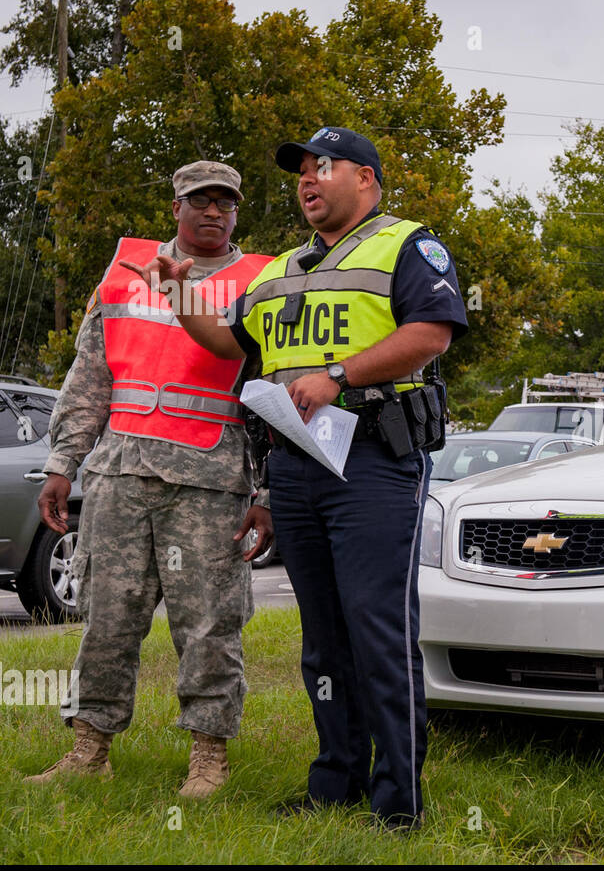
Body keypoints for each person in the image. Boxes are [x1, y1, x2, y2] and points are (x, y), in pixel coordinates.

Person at [126, 128, 468, 829]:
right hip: (297, 469)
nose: (308, 180)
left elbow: (432, 332)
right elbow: (230, 342)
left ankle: (398, 803)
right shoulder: (280, 267)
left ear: (366, 180)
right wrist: (179, 292)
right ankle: (334, 779)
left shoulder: (407, 245)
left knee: (378, 631)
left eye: (325, 167)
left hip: (374, 460)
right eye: (302, 171)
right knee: (323, 640)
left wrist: (337, 376)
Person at [29, 161, 275, 798]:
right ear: (176, 206)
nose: (213, 212)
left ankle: (208, 759)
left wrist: (267, 491)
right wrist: (63, 463)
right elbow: (90, 377)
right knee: (106, 618)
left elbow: (275, 394)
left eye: (226, 202)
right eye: (200, 200)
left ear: (237, 211)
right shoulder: (123, 272)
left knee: (210, 626)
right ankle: (89, 750)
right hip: (119, 475)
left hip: (211, 483)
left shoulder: (263, 282)